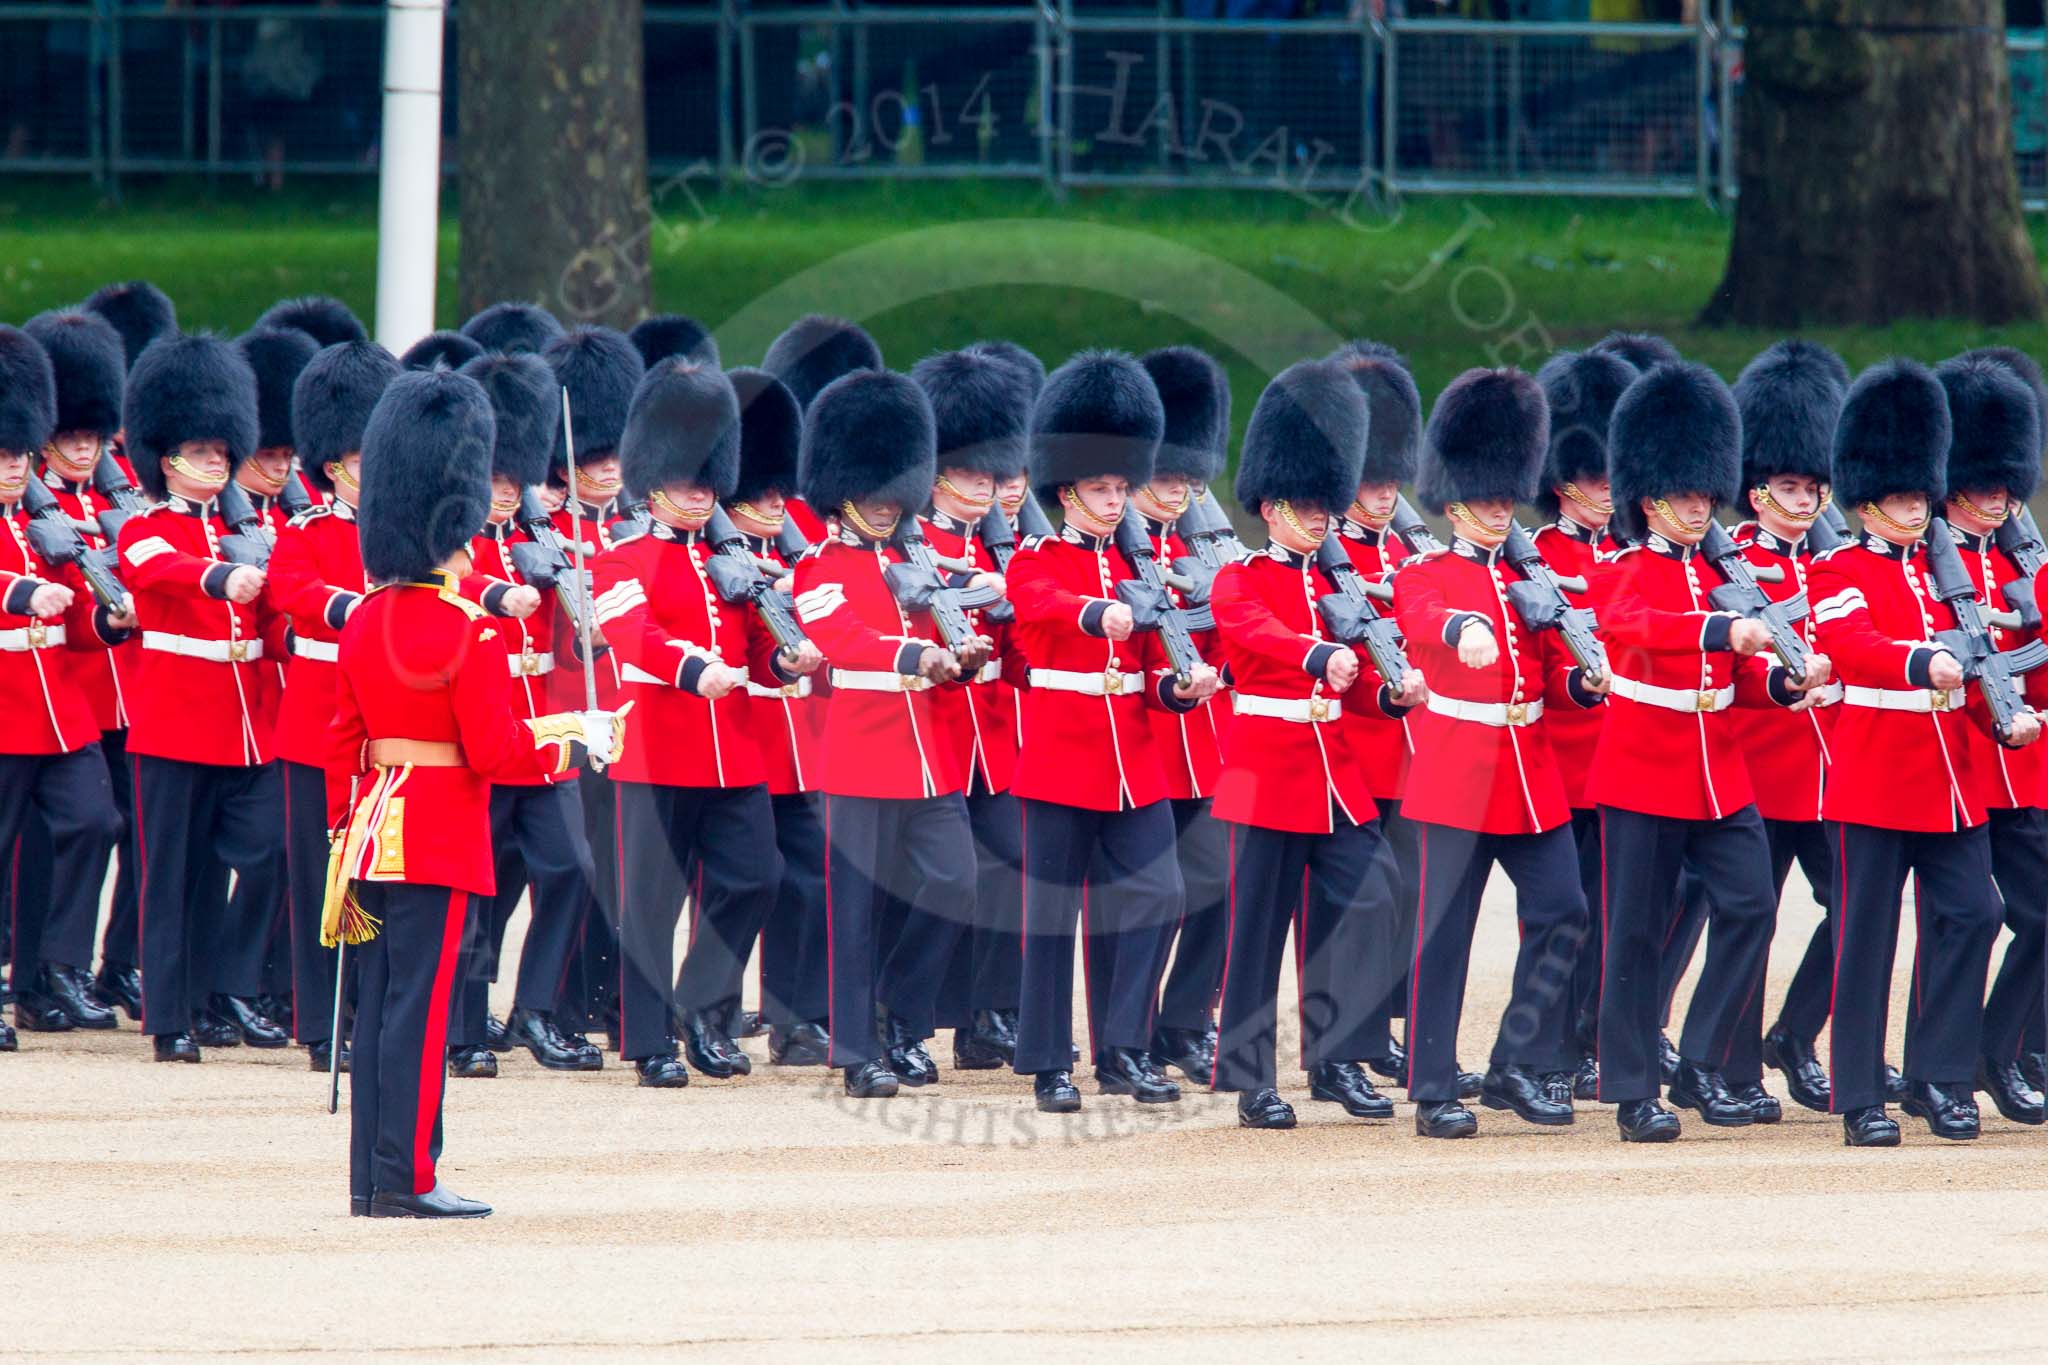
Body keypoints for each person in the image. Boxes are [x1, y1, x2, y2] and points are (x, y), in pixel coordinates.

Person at [326, 366, 618, 1218]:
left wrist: (344, 835)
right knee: (417, 1014)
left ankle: (370, 1177)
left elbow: (342, 740)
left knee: (380, 1003)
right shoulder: (468, 629)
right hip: (440, 831)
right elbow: (495, 751)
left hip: (371, 829)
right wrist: (573, 739)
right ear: (451, 534)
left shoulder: (367, 618)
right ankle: (410, 1177)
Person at [1589, 360, 1832, 1141]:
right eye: (1684, 495)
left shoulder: (1722, 575)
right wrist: (1726, 631)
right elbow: (1637, 631)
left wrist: (1786, 685)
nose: (1699, 507)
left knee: (1752, 906)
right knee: (1636, 930)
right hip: (1643, 769)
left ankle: (1699, 1062)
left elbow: (1736, 676)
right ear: (1650, 498)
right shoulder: (1622, 568)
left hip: (1719, 772)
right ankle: (1632, 1090)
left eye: (1705, 493)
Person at [1811, 358, 2040, 1145]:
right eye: (1905, 497)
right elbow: (1853, 643)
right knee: (1866, 942)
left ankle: (1941, 1078)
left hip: (1951, 782)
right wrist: (1923, 662)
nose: (1917, 507)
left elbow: (1976, 670)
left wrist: (2004, 716)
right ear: (1869, 500)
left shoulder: (1951, 582)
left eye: (1921, 494)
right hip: (1875, 780)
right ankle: (1859, 1096)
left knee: (1976, 914)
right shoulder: (1835, 567)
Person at [595, 358, 819, 1085]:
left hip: (735, 752)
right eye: (687, 481)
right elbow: (636, 637)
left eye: (706, 480)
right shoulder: (618, 558)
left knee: (756, 876)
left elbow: (757, 647)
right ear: (653, 479)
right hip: (659, 748)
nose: (700, 495)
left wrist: (788, 658)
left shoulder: (734, 562)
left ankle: (701, 1003)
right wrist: (697, 671)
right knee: (652, 903)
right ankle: (648, 1040)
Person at [1007, 350, 1220, 1113]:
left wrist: (1182, 687)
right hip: (1062, 760)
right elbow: (1036, 604)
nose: (1112, 500)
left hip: (1133, 760)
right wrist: (1100, 612)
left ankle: (1124, 1048)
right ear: (1067, 491)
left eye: (1119, 487)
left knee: (1158, 894)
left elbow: (1153, 671)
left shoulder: (1145, 563)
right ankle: (1047, 1061)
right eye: (1099, 488)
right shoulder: (1038, 555)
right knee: (1052, 920)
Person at [1395, 366, 1604, 1137]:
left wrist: (1585, 679)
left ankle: (1517, 1060)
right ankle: (1431, 1084)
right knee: (1443, 932)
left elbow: (1552, 674)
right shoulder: (1426, 570)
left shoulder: (1530, 578)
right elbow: (1422, 616)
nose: (1497, 509)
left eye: (1503, 497)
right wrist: (1463, 631)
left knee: (1564, 910)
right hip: (1456, 769)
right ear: (1453, 504)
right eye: (1484, 499)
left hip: (1529, 768)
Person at [1207, 360, 1413, 1129]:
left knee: (1374, 891)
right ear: (1270, 505)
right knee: (1257, 930)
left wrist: (1388, 692)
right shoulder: (1242, 575)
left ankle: (1337, 1058)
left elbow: (1353, 677)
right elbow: (1253, 635)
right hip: (1266, 770)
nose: (1323, 518)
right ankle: (1250, 1076)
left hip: (1334, 772)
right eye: (1307, 505)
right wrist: (1317, 652)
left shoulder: (1341, 587)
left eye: (1327, 504)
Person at [791, 367, 982, 1098]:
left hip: (927, 756)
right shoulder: (818, 566)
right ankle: (856, 1049)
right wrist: (918, 654)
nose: (885, 504)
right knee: (855, 909)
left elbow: (950, 626)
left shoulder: (916, 559)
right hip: (859, 752)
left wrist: (963, 657)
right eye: (872, 491)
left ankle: (901, 1014)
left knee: (956, 882)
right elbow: (841, 633)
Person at [115, 332, 288, 1064]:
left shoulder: (244, 529)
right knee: (174, 876)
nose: (219, 462)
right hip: (176, 725)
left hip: (246, 725)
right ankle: (171, 1015)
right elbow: (153, 567)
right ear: (168, 457)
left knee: (267, 845)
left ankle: (221, 986)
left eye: (225, 450)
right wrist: (221, 578)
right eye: (205, 451)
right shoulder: (145, 524)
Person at [446, 349, 602, 1078]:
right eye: (495, 479)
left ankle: (535, 1009)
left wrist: (575, 599)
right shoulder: (449, 541)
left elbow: (575, 649)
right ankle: (463, 1025)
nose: (506, 493)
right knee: (484, 887)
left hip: (539, 733)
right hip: (479, 730)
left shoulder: (541, 541)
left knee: (570, 864)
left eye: (516, 479)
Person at [1715, 340, 1851, 1120]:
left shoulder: (1839, 567)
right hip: (1759, 769)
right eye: (1789, 488)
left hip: (1831, 774)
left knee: (1856, 907)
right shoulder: (1734, 563)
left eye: (1814, 488)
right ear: (1758, 491)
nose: (1804, 501)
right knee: (1750, 919)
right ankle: (1735, 1067)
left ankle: (1797, 1034)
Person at [266, 338, 400, 1072]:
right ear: (333, 469)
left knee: (377, 868)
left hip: (386, 727)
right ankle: (320, 1025)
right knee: (320, 875)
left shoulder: (406, 536)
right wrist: (355, 606)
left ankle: (369, 1013)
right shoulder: (306, 532)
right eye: (358, 459)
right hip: (318, 724)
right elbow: (295, 593)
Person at [0, 325, 128, 1054]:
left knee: (93, 821)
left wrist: (105, 620)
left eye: (20, 453)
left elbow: (74, 622)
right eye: (6, 455)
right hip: (6, 710)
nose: (16, 466)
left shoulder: (38, 524)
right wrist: (21, 594)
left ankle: (54, 967)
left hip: (58, 709)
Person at [910, 347, 1032, 1073]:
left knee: (1011, 864)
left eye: (992, 474)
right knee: (943, 878)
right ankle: (912, 1017)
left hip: (995, 737)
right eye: (969, 473)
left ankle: (988, 1014)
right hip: (934, 734)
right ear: (935, 474)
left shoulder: (1003, 546)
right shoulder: (912, 545)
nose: (984, 487)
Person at [1530, 346, 1634, 1101]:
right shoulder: (1538, 555)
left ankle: (1601, 1036)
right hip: (1565, 759)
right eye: (1595, 478)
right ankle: (1556, 1046)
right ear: (1564, 484)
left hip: (1626, 759)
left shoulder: (1631, 554)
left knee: (1613, 913)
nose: (1608, 490)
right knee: (1566, 913)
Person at [719, 367, 831, 1067]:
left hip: (800, 735)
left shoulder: (799, 531)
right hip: (741, 728)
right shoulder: (712, 548)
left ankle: (798, 1016)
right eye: (757, 490)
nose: (771, 501)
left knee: (808, 874)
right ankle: (717, 1005)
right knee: (737, 876)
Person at [1325, 338, 1430, 1084]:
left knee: (1411, 894)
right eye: (1371, 477)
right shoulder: (1326, 554)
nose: (1385, 490)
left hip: (1413, 745)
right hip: (1352, 744)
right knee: (1351, 902)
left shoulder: (1412, 549)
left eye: (1392, 475)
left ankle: (1385, 1032)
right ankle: (1343, 1039)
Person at [1131, 345, 1232, 1088]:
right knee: (1150, 898)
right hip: (1143, 739)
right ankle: (1127, 1034)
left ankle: (1186, 1022)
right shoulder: (1113, 548)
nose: (1178, 491)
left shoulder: (1204, 535)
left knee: (1218, 887)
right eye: (1165, 476)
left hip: (1210, 740)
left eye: (1188, 478)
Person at [542, 326, 644, 1052]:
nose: (607, 469)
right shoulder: (544, 530)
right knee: (571, 864)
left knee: (618, 867)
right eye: (595, 455)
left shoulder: (633, 531)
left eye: (617, 456)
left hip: (629, 714)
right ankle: (551, 1003)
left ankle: (606, 1000)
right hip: (567, 710)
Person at [1955, 345, 2048, 1126]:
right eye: (1981, 480)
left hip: (2024, 769)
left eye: (2005, 482)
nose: (1995, 495)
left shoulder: (2024, 560)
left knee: (2039, 915)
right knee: (1959, 922)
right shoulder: (1930, 565)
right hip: (1956, 766)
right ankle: (1943, 1067)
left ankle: (2004, 1048)